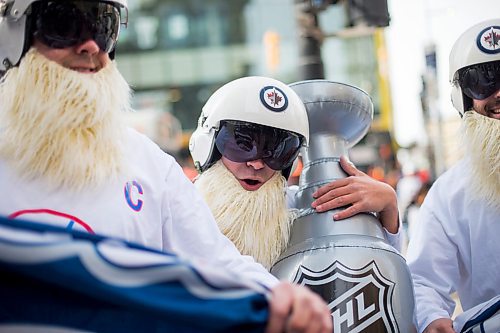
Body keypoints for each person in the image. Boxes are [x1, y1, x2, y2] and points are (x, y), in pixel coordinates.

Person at [0, 1, 333, 332]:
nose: (90, 46)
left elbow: (216, 263)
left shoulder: (147, 162)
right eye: (63, 25)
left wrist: (279, 299)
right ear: (16, 31)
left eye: (104, 27)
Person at [189, 76, 401, 270]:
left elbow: (366, 267)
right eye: (242, 145)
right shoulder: (179, 202)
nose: (256, 164)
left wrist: (388, 207)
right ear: (211, 145)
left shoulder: (298, 207)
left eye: (278, 151)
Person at [406, 19, 500, 333]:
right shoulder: (448, 195)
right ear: (463, 98)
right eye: (484, 81)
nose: (499, 92)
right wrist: (434, 319)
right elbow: (423, 282)